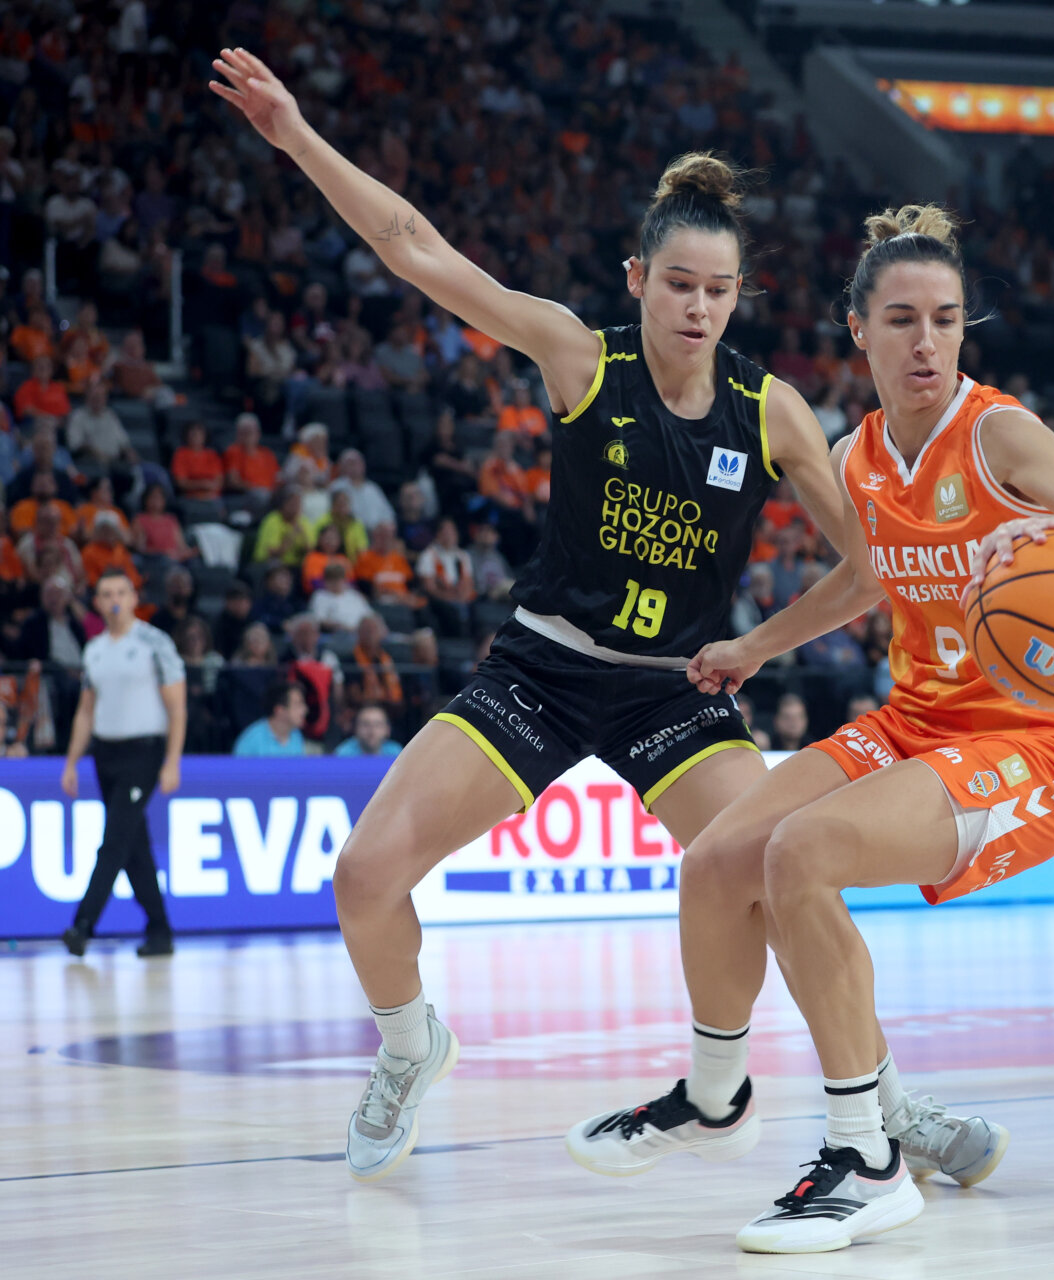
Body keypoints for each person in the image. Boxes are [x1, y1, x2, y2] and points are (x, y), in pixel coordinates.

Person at [208, 51, 966, 1191]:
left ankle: (889, 1108)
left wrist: (757, 646)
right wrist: (298, 138)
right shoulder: (578, 356)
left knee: (781, 871)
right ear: (637, 279)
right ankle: (410, 1047)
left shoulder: (771, 411)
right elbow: (417, 249)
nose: (698, 308)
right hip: (545, 671)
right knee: (363, 874)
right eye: (678, 285)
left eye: (718, 291)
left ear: (738, 296)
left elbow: (869, 571)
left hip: (677, 692)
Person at [572, 206, 1054, 1253]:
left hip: (1035, 745)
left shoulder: (997, 432)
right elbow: (864, 581)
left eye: (945, 319)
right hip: (916, 719)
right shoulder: (857, 455)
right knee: (718, 858)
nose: (927, 341)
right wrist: (756, 647)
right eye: (901, 319)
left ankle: (867, 1158)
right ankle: (714, 1093)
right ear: (859, 330)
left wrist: (1039, 532)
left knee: (804, 851)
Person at [60, 568, 186, 958]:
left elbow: (177, 705)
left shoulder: (154, 642)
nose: (114, 599)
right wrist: (71, 762)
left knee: (115, 840)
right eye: (106, 593)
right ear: (97, 602)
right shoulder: (95, 649)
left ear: (133, 598)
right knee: (134, 845)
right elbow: (85, 711)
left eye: (121, 592)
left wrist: (172, 761)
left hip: (143, 752)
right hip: (106, 753)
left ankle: (82, 925)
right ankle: (160, 931)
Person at [232, 679, 308, 756]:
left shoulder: (296, 735)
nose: (305, 710)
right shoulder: (250, 742)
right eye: (298, 705)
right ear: (279, 710)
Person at [335, 703, 403, 758]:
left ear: (388, 729)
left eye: (377, 725)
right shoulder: (343, 754)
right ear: (355, 729)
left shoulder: (396, 753)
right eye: (365, 724)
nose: (372, 731)